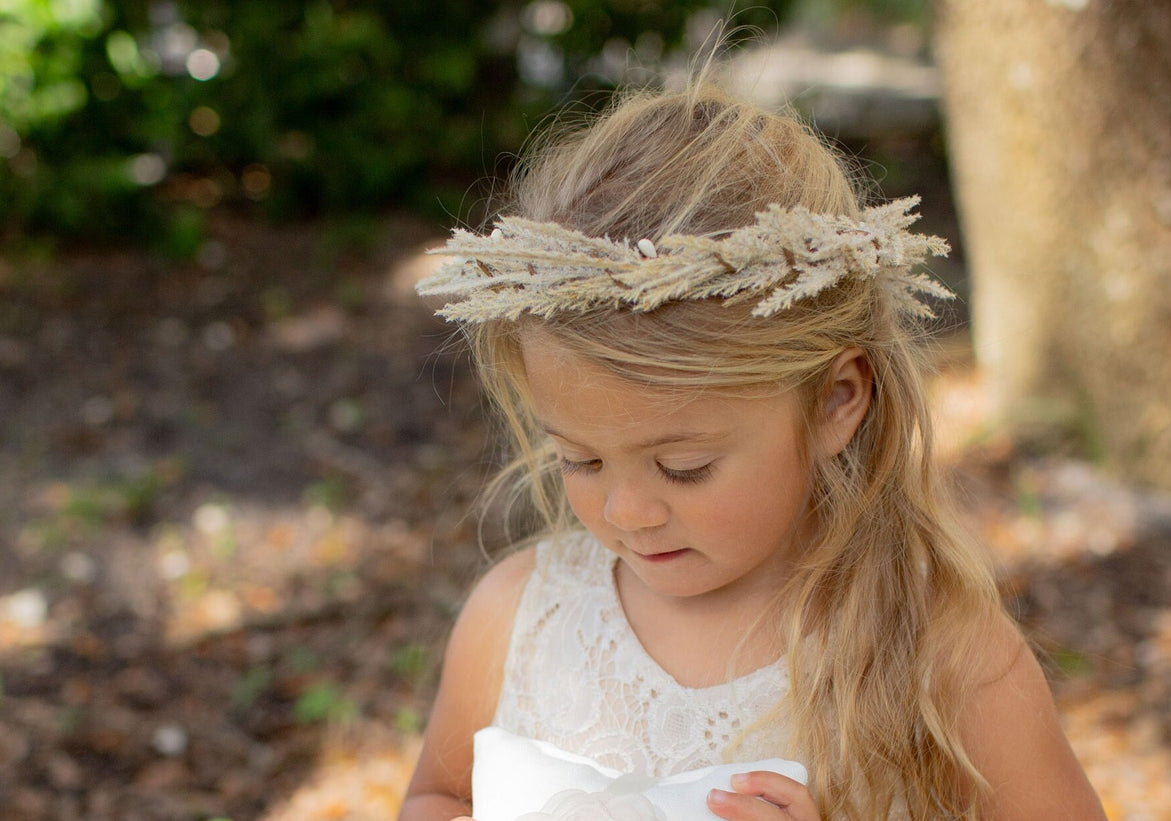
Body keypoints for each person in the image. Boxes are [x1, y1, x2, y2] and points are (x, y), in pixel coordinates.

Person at [399, 80, 1106, 820]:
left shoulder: (939, 655)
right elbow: (438, 794)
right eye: (580, 458)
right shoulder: (517, 617)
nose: (627, 510)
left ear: (836, 401)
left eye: (684, 466)